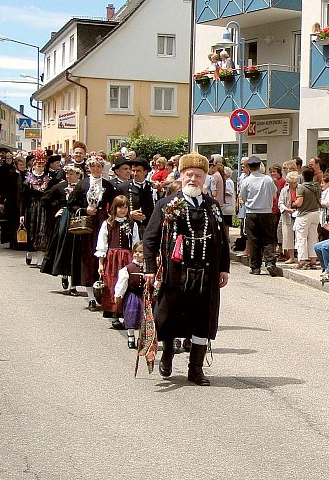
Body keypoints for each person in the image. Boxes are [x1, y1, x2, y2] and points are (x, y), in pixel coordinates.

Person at [143, 153, 230, 386]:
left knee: (203, 319)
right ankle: (167, 354)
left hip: (206, 274)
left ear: (205, 179)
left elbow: (222, 239)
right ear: (181, 177)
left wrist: (224, 268)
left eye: (198, 176)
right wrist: (150, 268)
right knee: (169, 317)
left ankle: (196, 370)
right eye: (189, 175)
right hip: (175, 273)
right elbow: (150, 239)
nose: (193, 179)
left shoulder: (212, 206)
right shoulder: (165, 205)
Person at [69, 154, 116, 311]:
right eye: (93, 166)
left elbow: (115, 204)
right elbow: (71, 204)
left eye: (99, 166)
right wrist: (84, 210)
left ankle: (101, 291)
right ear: (88, 168)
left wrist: (111, 217)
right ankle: (90, 295)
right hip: (86, 224)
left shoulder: (108, 186)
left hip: (102, 222)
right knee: (87, 258)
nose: (96, 169)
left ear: (102, 168)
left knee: (101, 256)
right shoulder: (82, 185)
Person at [95, 195, 139, 329]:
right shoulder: (108, 223)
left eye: (125, 207)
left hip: (127, 257)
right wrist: (101, 264)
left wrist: (136, 261)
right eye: (120, 207)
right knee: (112, 283)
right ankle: (114, 315)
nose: (123, 210)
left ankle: (126, 313)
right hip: (112, 258)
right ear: (115, 207)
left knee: (126, 285)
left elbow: (136, 243)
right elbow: (102, 244)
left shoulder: (132, 224)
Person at [40, 164, 82, 291]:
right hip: (65, 220)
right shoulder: (60, 186)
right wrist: (55, 211)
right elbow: (44, 199)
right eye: (67, 174)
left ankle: (74, 283)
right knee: (64, 247)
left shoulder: (83, 186)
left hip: (79, 218)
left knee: (77, 250)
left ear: (78, 175)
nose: (68, 176)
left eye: (71, 174)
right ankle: (64, 274)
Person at [239, 156, 278, 276]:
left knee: (253, 240)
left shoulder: (246, 181)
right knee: (268, 238)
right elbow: (274, 194)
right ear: (259, 165)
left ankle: (255, 267)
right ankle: (270, 262)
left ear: (249, 167)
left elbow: (243, 197)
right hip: (266, 212)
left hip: (251, 213)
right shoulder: (267, 179)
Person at [21, 150, 51, 266]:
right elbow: (23, 197)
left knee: (42, 231)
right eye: (38, 165)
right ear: (34, 165)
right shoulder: (28, 178)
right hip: (31, 207)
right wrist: (22, 214)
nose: (40, 167)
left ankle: (40, 258)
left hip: (43, 208)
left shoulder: (47, 178)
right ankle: (29, 252)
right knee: (31, 229)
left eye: (42, 165)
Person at [114, 241, 146, 349]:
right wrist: (118, 295)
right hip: (132, 296)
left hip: (144, 296)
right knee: (131, 316)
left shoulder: (148, 269)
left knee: (143, 318)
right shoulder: (127, 269)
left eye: (140, 252)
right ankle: (131, 336)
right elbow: (121, 284)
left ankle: (141, 338)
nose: (137, 254)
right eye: (135, 252)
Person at [117, 158, 154, 238]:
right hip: (129, 227)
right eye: (133, 171)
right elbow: (114, 209)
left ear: (145, 172)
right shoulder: (123, 188)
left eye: (138, 171)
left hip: (148, 228)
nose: (135, 174)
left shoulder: (152, 187)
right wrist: (129, 214)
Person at [293, 166, 321, 269]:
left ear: (303, 175)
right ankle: (313, 259)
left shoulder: (301, 187)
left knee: (301, 237)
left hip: (304, 214)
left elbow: (299, 203)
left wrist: (294, 203)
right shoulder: (316, 186)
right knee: (313, 237)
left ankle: (302, 260)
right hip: (315, 213)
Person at [278, 170, 299, 264]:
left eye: (295, 182)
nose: (294, 184)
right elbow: (280, 203)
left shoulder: (301, 188)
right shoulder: (284, 190)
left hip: (299, 214)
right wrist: (287, 209)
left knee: (300, 236)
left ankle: (301, 256)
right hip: (287, 215)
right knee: (288, 236)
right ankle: (291, 257)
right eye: (292, 183)